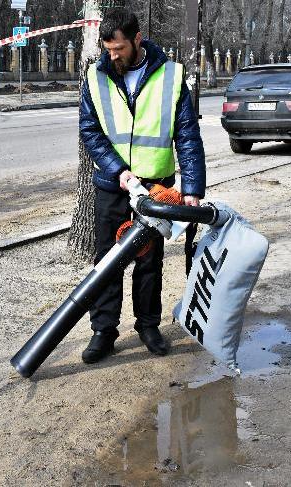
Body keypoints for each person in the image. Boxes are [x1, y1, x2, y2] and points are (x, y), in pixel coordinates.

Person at [79, 8, 206, 364]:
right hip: (112, 185)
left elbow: (187, 135)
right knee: (106, 261)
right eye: (108, 49)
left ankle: (148, 326)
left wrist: (193, 189)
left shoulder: (170, 76)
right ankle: (104, 331)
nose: (112, 55)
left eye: (118, 48)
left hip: (154, 188)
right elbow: (91, 132)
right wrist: (119, 172)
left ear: (137, 39)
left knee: (149, 263)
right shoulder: (96, 76)